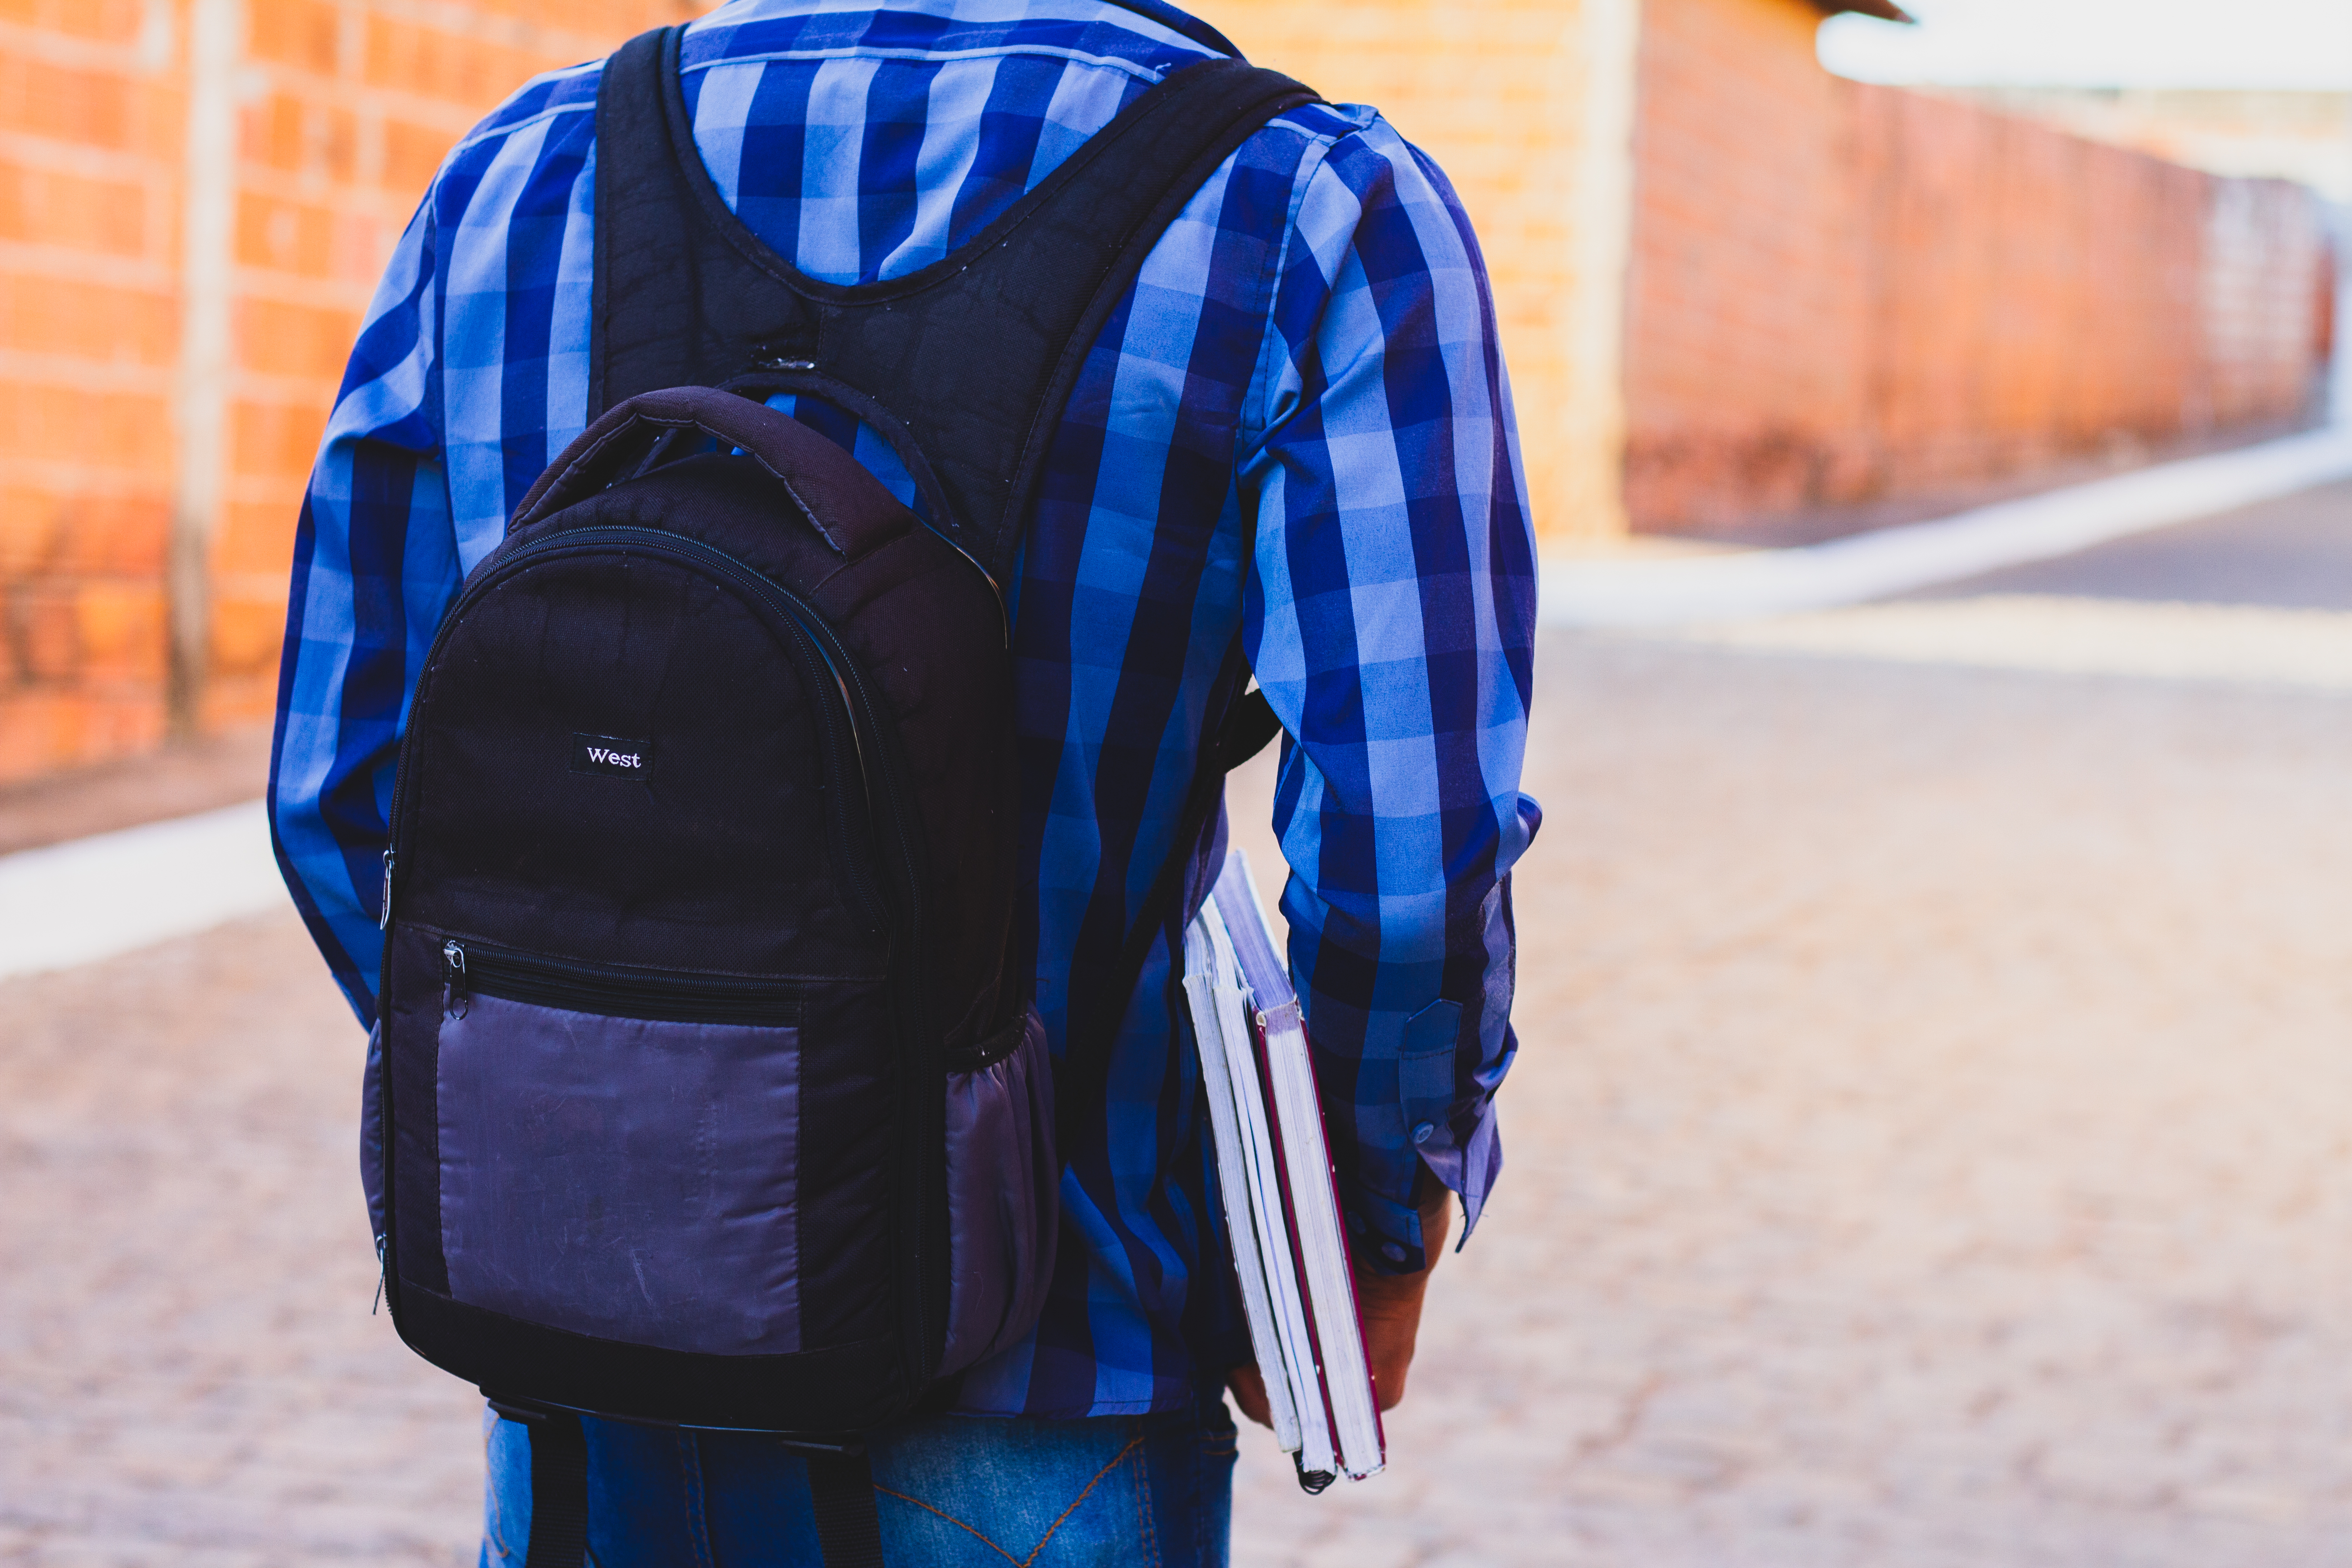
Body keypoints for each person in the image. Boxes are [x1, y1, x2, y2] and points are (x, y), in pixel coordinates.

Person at [269, 0, 1539, 1560]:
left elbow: (341, 783)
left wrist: (601, 1118)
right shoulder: (1305, 209)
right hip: (1047, 1378)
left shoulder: (519, 179)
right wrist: (1355, 1243)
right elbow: (1409, 857)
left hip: (595, 1382)